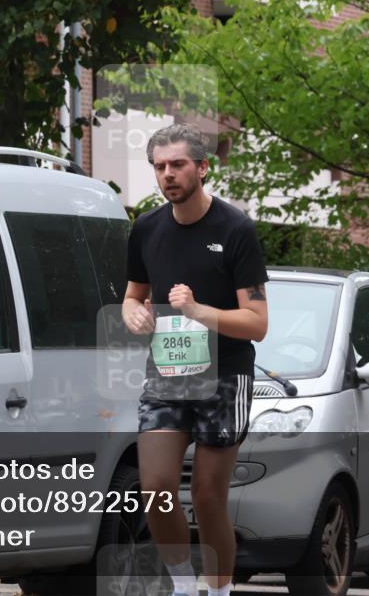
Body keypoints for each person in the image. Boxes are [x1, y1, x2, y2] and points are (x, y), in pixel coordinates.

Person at [122, 123, 268, 596]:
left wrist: (197, 310)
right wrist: (134, 317)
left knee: (208, 497)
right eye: (159, 167)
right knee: (156, 489)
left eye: (178, 164)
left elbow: (258, 323)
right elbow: (132, 298)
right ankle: (185, 587)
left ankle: (220, 590)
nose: (168, 174)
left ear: (202, 168)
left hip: (226, 373)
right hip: (169, 372)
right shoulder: (145, 229)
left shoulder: (235, 229)